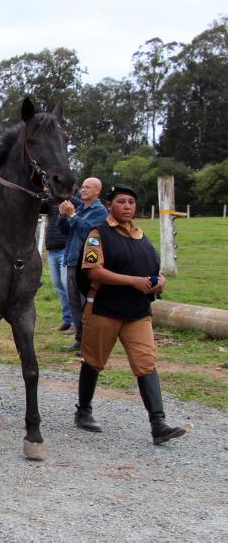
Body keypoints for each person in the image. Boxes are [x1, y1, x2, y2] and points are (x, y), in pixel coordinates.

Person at [74, 184, 186, 445]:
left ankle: (158, 423)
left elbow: (152, 267)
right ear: (110, 205)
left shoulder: (140, 236)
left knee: (146, 363)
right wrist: (132, 281)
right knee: (93, 360)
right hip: (104, 309)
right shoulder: (97, 234)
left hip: (137, 312)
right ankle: (84, 410)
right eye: (121, 201)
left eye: (131, 202)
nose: (127, 206)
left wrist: (160, 281)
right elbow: (93, 271)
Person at [58, 177, 108, 353]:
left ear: (97, 191)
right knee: (74, 303)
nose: (83, 190)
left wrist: (72, 216)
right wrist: (63, 216)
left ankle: (90, 342)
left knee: (86, 303)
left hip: (86, 262)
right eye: (83, 187)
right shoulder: (79, 208)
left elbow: (88, 232)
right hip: (71, 260)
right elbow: (64, 231)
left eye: (88, 187)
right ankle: (80, 339)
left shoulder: (100, 211)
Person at [41, 194, 80, 332]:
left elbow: (79, 206)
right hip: (52, 251)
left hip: (65, 249)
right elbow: (38, 206)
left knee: (68, 286)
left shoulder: (73, 200)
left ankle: (77, 322)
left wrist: (64, 196)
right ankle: (67, 320)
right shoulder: (51, 201)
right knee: (59, 286)